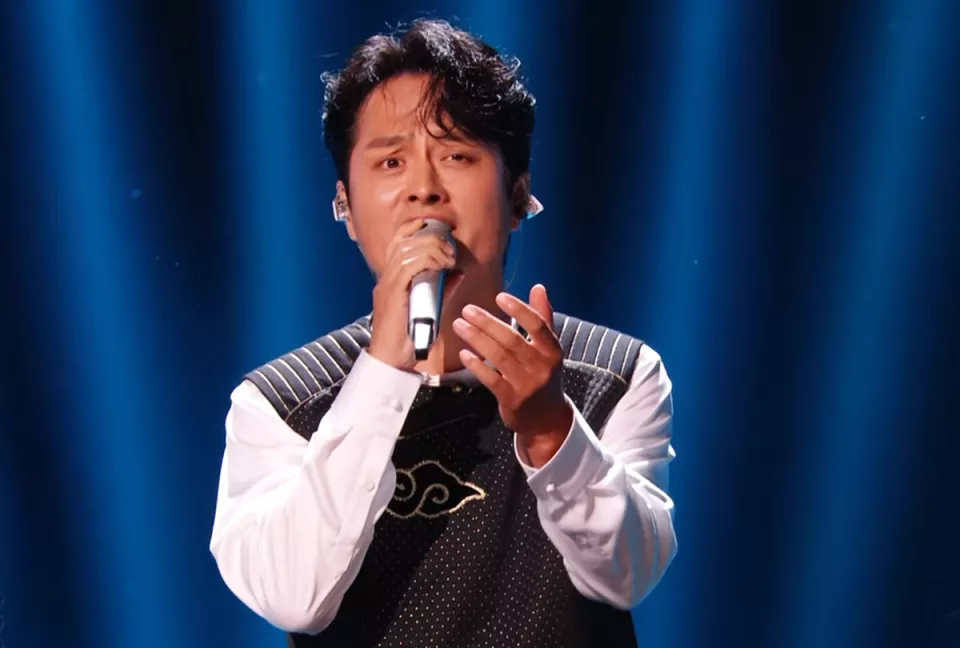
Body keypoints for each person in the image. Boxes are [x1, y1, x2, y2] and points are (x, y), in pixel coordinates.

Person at [209, 18, 677, 648]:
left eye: (456, 156)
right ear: (347, 208)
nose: (424, 191)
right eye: (391, 162)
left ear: (517, 196)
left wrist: (551, 432)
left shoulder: (612, 376)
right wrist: (383, 372)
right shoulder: (281, 405)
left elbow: (630, 576)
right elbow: (293, 598)